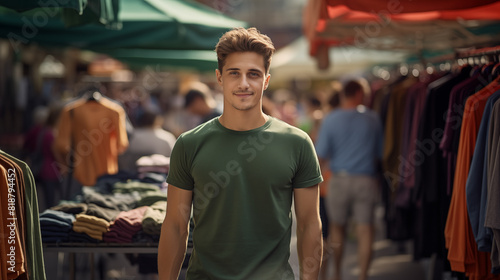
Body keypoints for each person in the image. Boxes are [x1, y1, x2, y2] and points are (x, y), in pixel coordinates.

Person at [158, 27, 324, 280]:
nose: (244, 83)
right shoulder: (188, 144)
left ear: (266, 80)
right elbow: (174, 225)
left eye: (254, 74)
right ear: (219, 77)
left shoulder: (297, 143)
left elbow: (310, 224)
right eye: (234, 73)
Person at [315, 79, 383, 280]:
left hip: (339, 180)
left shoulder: (331, 119)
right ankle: (363, 275)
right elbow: (380, 152)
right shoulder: (373, 118)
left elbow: (322, 155)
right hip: (366, 179)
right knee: (365, 229)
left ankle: (337, 274)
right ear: (360, 94)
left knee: (337, 228)